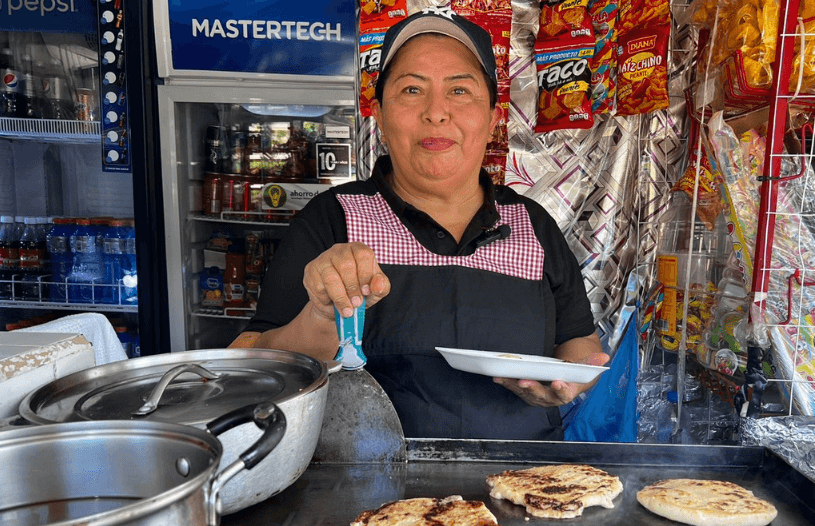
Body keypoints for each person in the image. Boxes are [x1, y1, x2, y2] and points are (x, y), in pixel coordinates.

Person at [241, 7, 608, 440]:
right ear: (378, 113)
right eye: (412, 89)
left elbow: (580, 347)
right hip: (367, 490)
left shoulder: (533, 225)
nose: (436, 112)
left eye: (460, 91)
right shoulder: (333, 218)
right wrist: (323, 315)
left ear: (492, 117)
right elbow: (248, 362)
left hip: (524, 487)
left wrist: (570, 383)